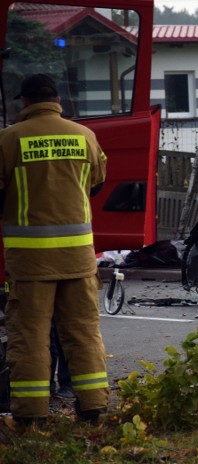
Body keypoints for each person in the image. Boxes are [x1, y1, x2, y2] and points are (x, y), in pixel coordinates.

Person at [0, 73, 109, 425]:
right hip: (79, 257)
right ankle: (93, 408)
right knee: (83, 331)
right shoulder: (86, 136)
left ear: (25, 102)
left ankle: (31, 417)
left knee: (30, 335)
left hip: (32, 262)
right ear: (58, 101)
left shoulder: (9, 139)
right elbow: (97, 183)